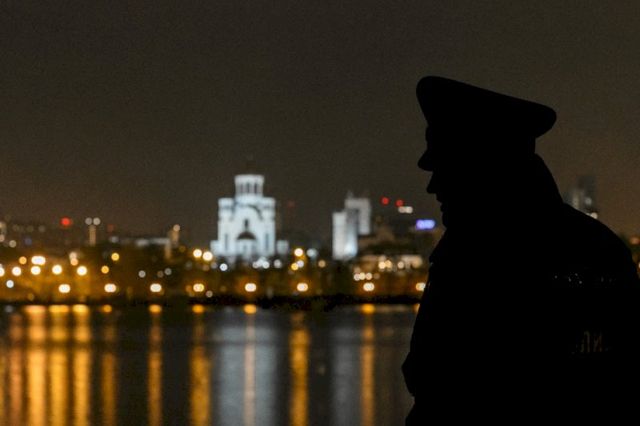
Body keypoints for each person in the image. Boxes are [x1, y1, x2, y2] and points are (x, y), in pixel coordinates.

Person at [403, 76, 640, 423]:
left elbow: (430, 374)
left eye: (445, 167)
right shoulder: (602, 246)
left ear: (482, 167)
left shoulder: (473, 254)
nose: (433, 186)